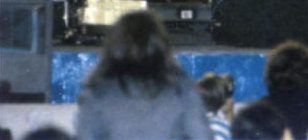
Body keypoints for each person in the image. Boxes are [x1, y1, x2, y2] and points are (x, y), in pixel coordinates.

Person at [75, 10, 213, 140]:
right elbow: (201, 135)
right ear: (160, 44)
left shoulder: (98, 92)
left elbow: (85, 135)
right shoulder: (181, 89)